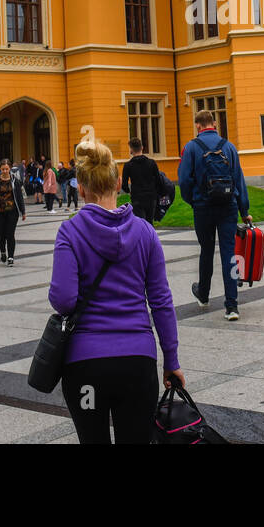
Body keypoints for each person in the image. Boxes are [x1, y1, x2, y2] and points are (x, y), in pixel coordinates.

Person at [48, 138, 181, 444]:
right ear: (120, 182)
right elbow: (161, 301)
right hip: (137, 362)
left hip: (85, 367)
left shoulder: (69, 232)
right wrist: (171, 360)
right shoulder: (145, 232)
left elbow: (64, 300)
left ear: (81, 188)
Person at [178, 109, 251, 321]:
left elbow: (183, 181)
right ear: (214, 124)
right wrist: (244, 211)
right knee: (229, 254)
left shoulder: (191, 148)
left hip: (203, 208)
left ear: (198, 126)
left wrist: (193, 200)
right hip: (227, 207)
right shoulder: (229, 147)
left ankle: (204, 294)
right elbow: (239, 180)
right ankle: (232, 306)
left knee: (206, 250)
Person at [0, 159, 25, 265]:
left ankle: (11, 257)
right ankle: (2, 251)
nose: (5, 171)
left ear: (10, 168)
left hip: (12, 212)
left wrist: (23, 211)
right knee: (0, 236)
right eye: (3, 169)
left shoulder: (15, 181)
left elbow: (19, 197)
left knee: (10, 234)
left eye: (6, 169)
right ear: (0, 169)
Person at [120, 138, 160, 222]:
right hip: (151, 197)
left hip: (137, 198)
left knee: (141, 223)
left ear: (131, 149)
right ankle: (151, 235)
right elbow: (158, 180)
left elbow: (124, 185)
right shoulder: (151, 163)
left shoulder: (128, 165)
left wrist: (129, 191)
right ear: (142, 147)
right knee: (149, 223)